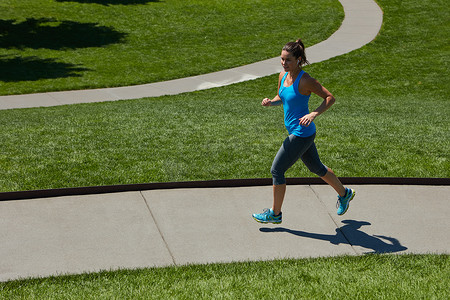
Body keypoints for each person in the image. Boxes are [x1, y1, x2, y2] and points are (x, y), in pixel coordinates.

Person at [252, 39, 355, 224]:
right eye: (282, 59)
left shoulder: (306, 80)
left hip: (301, 133)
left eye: (288, 60)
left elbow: (330, 98)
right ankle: (344, 193)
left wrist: (313, 114)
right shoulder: (283, 76)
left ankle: (275, 214)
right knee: (317, 168)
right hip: (299, 132)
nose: (284, 63)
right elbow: (282, 98)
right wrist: (271, 102)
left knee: (277, 170)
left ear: (298, 60)